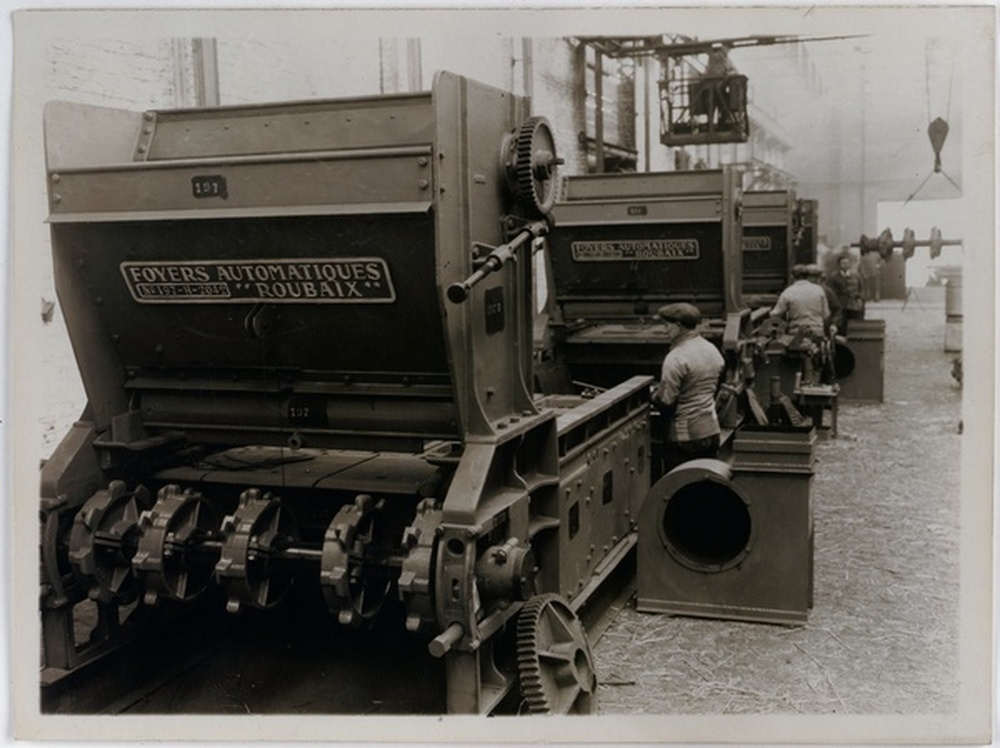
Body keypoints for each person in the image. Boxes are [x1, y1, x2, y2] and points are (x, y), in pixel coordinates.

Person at [652, 303, 725, 474]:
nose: (664, 331)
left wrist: (653, 395)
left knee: (679, 487)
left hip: (685, 440)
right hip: (711, 432)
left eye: (666, 325)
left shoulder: (676, 357)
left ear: (678, 326)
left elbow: (666, 401)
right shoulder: (712, 349)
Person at [770, 264, 831, 338]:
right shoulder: (819, 290)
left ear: (792, 277)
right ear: (807, 276)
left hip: (796, 334)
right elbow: (826, 315)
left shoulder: (788, 291)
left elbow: (776, 314)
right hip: (817, 332)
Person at [829, 253, 865, 334]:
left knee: (856, 324)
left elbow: (862, 288)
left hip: (854, 305)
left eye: (847, 263)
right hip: (841, 305)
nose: (845, 265)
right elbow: (831, 291)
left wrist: (860, 299)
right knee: (842, 325)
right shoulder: (834, 276)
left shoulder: (856, 275)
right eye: (843, 263)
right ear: (839, 265)